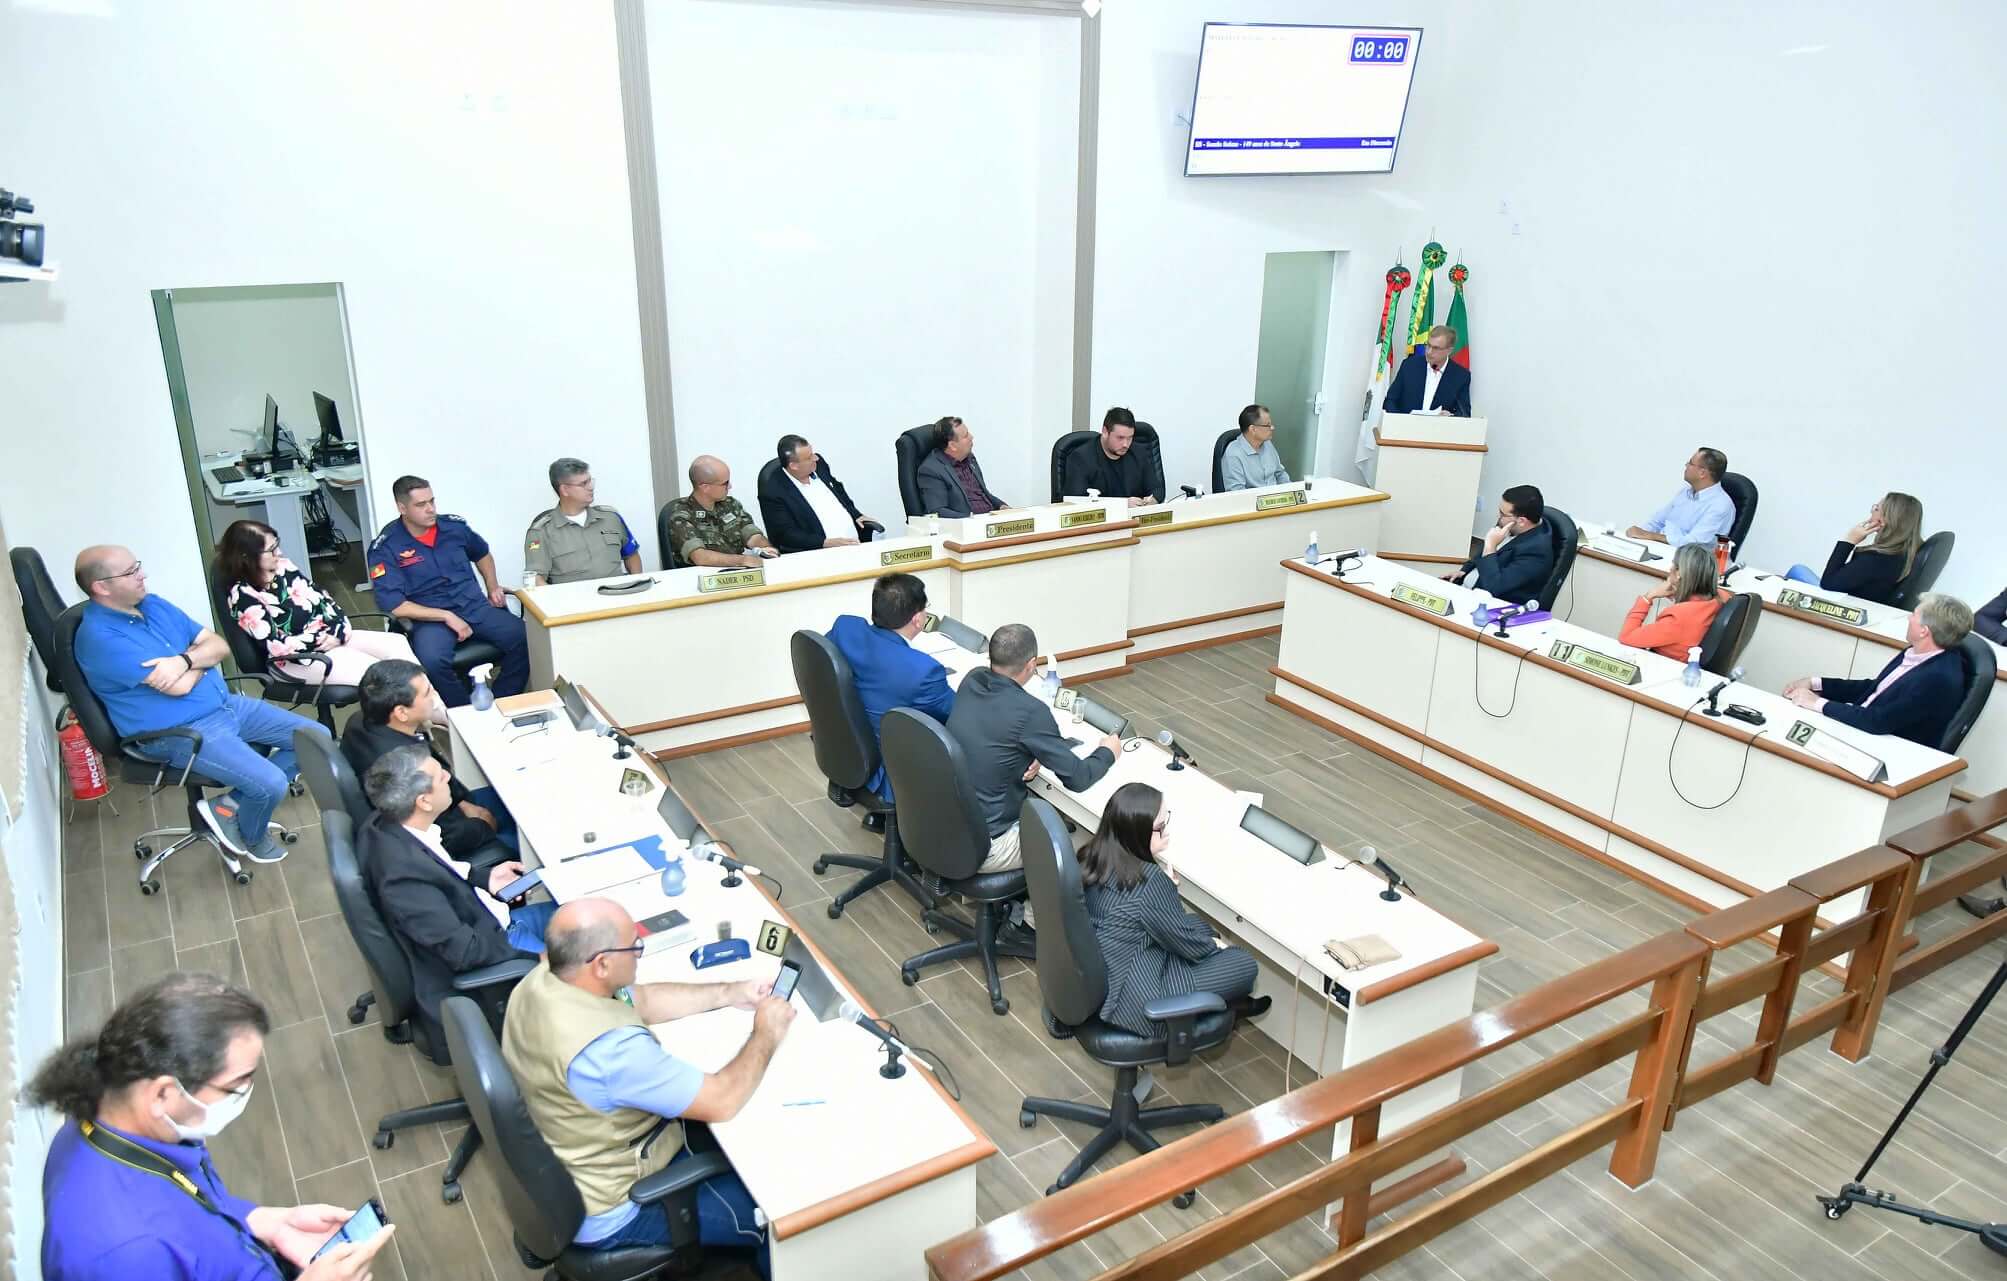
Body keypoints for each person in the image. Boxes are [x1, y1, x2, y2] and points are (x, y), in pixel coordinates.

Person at [29, 972, 397, 1280]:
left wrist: (265, 1222)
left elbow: (193, 1203)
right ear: (164, 1093)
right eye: (237, 1083)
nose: (246, 1092)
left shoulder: (133, 1126)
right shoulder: (124, 1257)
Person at [503, 899, 791, 1274]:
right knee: (781, 1213)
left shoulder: (542, 979)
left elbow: (643, 1000)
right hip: (619, 1209)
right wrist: (766, 1033)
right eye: (633, 946)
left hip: (566, 1165)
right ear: (601, 963)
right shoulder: (611, 1052)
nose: (640, 952)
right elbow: (724, 1099)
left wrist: (730, 992)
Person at [73, 545, 326, 864]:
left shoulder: (152, 604)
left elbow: (219, 645)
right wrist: (201, 659)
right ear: (101, 587)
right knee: (270, 784)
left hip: (224, 705)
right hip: (178, 731)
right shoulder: (100, 638)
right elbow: (178, 687)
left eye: (138, 565)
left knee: (316, 739)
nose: (142, 575)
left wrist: (184, 661)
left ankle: (228, 808)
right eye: (131, 572)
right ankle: (250, 836)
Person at [360, 746, 551, 1032]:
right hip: (498, 946)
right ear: (424, 801)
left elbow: (442, 869)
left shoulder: (388, 824)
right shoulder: (404, 878)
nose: (449, 776)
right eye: (440, 776)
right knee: (590, 957)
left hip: (486, 918)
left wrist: (485, 878)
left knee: (583, 912)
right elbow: (465, 952)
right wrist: (541, 959)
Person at [1079, 782, 1268, 1037]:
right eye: (1160, 827)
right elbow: (1190, 946)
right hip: (1136, 1000)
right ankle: (1226, 1006)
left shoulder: (1091, 854)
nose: (1166, 831)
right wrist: (1216, 946)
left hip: (1108, 971)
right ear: (1137, 832)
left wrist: (1166, 892)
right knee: (1243, 963)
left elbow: (1152, 918)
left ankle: (1228, 1004)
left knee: (1199, 925)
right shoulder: (1150, 881)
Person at [946, 622, 1119, 875]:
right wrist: (1108, 752)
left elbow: (992, 735)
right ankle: (1046, 902)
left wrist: (1030, 752)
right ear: (1031, 664)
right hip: (986, 845)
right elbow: (1079, 778)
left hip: (948, 823)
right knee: (1086, 842)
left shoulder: (973, 679)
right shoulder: (1031, 712)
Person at [217, 520, 438, 709]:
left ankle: (441, 717)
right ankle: (425, 722)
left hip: (327, 638)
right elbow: (279, 647)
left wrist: (338, 631)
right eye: (271, 550)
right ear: (247, 557)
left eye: (277, 545)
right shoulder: (243, 597)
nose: (280, 553)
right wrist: (325, 638)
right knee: (382, 675)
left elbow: (325, 601)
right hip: (294, 661)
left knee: (396, 643)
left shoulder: (284, 567)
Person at [368, 475, 529, 707]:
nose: (430, 509)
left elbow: (482, 553)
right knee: (431, 662)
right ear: (402, 508)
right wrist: (446, 616)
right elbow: (394, 604)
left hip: (473, 605)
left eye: (432, 501)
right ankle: (462, 713)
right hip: (430, 618)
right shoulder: (386, 546)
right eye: (421, 505)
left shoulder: (454, 527)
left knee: (526, 638)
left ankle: (502, 701)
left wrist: (492, 585)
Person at [341, 659, 515, 855]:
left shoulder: (359, 721)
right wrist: (483, 826)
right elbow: (439, 836)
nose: (434, 696)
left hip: (444, 807)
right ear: (401, 712)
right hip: (450, 837)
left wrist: (461, 802)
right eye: (427, 693)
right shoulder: (403, 767)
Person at [1783, 593, 1975, 747]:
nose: (1908, 618)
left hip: (1881, 745)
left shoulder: (1939, 678)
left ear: (1924, 631)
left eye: (1914, 614)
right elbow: (1875, 689)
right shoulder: (1916, 652)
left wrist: (1818, 703)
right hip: (1863, 728)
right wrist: (1816, 683)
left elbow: (1879, 721)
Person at [826, 573, 954, 803]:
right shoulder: (924, 671)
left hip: (847, 750)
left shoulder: (845, 629)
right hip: (889, 773)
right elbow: (955, 715)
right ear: (917, 619)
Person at [1782, 493, 1923, 606]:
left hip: (1845, 605)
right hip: (1861, 602)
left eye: (1876, 509)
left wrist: (1848, 541)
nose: (1872, 511)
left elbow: (1828, 583)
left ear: (1884, 520)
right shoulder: (1905, 552)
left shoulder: (1875, 559)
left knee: (1797, 570)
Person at [524, 458, 642, 585]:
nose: (591, 487)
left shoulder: (611, 518)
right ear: (564, 490)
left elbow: (632, 555)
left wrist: (636, 586)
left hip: (617, 593)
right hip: (572, 597)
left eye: (590, 481)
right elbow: (536, 578)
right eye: (583, 484)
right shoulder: (541, 531)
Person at [758, 435, 881, 553]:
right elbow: (785, 535)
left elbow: (837, 489)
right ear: (794, 466)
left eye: (813, 454)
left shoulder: (819, 465)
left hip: (856, 544)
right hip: (819, 553)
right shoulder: (772, 491)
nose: (815, 458)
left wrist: (856, 514)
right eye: (809, 457)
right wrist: (825, 543)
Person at [664, 455, 779, 568]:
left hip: (737, 572)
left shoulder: (730, 504)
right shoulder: (682, 515)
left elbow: (751, 535)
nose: (730, 487)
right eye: (725, 483)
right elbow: (700, 557)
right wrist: (743, 560)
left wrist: (764, 548)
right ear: (705, 487)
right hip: (702, 576)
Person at [1444, 485, 1553, 604]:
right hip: (1466, 589)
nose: (1498, 516)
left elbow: (1493, 588)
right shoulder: (1510, 525)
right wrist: (1464, 572)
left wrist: (1491, 547)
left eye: (1502, 514)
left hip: (1488, 605)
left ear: (1521, 521)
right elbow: (1480, 555)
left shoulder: (1537, 551)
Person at [1618, 543, 1727, 659]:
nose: (1670, 569)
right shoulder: (1721, 598)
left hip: (1660, 664)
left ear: (1679, 573)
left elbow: (1626, 636)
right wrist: (1681, 592)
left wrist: (1648, 597)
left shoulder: (1678, 619)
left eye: (1673, 564)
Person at [1626, 447, 1735, 550]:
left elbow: (1693, 543)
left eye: (1690, 463)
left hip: (1690, 559)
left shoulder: (1721, 505)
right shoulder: (1685, 491)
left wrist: (1651, 536)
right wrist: (1638, 537)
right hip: (1664, 550)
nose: (1686, 465)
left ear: (1702, 473)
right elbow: (1657, 521)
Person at [1060, 407, 1163, 506]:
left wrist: (1152, 500)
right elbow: (1076, 502)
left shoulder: (1139, 452)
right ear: (1105, 432)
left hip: (1134, 516)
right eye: (1120, 438)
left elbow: (1157, 489)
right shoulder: (1081, 458)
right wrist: (1121, 505)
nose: (1126, 444)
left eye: (1130, 438)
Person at [915, 416, 1007, 518]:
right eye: (966, 435)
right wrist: (971, 520)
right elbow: (937, 511)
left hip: (989, 520)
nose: (971, 437)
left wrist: (1002, 506)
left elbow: (982, 494)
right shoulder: (931, 470)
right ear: (952, 446)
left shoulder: (969, 458)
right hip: (967, 524)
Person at [1381, 325, 1472, 417]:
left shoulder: (1460, 376)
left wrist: (1450, 417)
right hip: (1405, 424)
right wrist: (1401, 421)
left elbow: (1464, 413)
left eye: (1436, 348)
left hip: (1439, 426)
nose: (1429, 352)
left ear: (1449, 351)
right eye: (1428, 345)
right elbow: (1390, 401)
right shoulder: (1409, 366)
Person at [1219, 404, 1290, 491]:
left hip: (1276, 497)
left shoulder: (1267, 444)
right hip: (1253, 499)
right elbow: (1236, 491)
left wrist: (1290, 491)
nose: (1272, 428)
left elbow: (1280, 474)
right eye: (1268, 425)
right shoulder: (1233, 454)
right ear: (1253, 429)